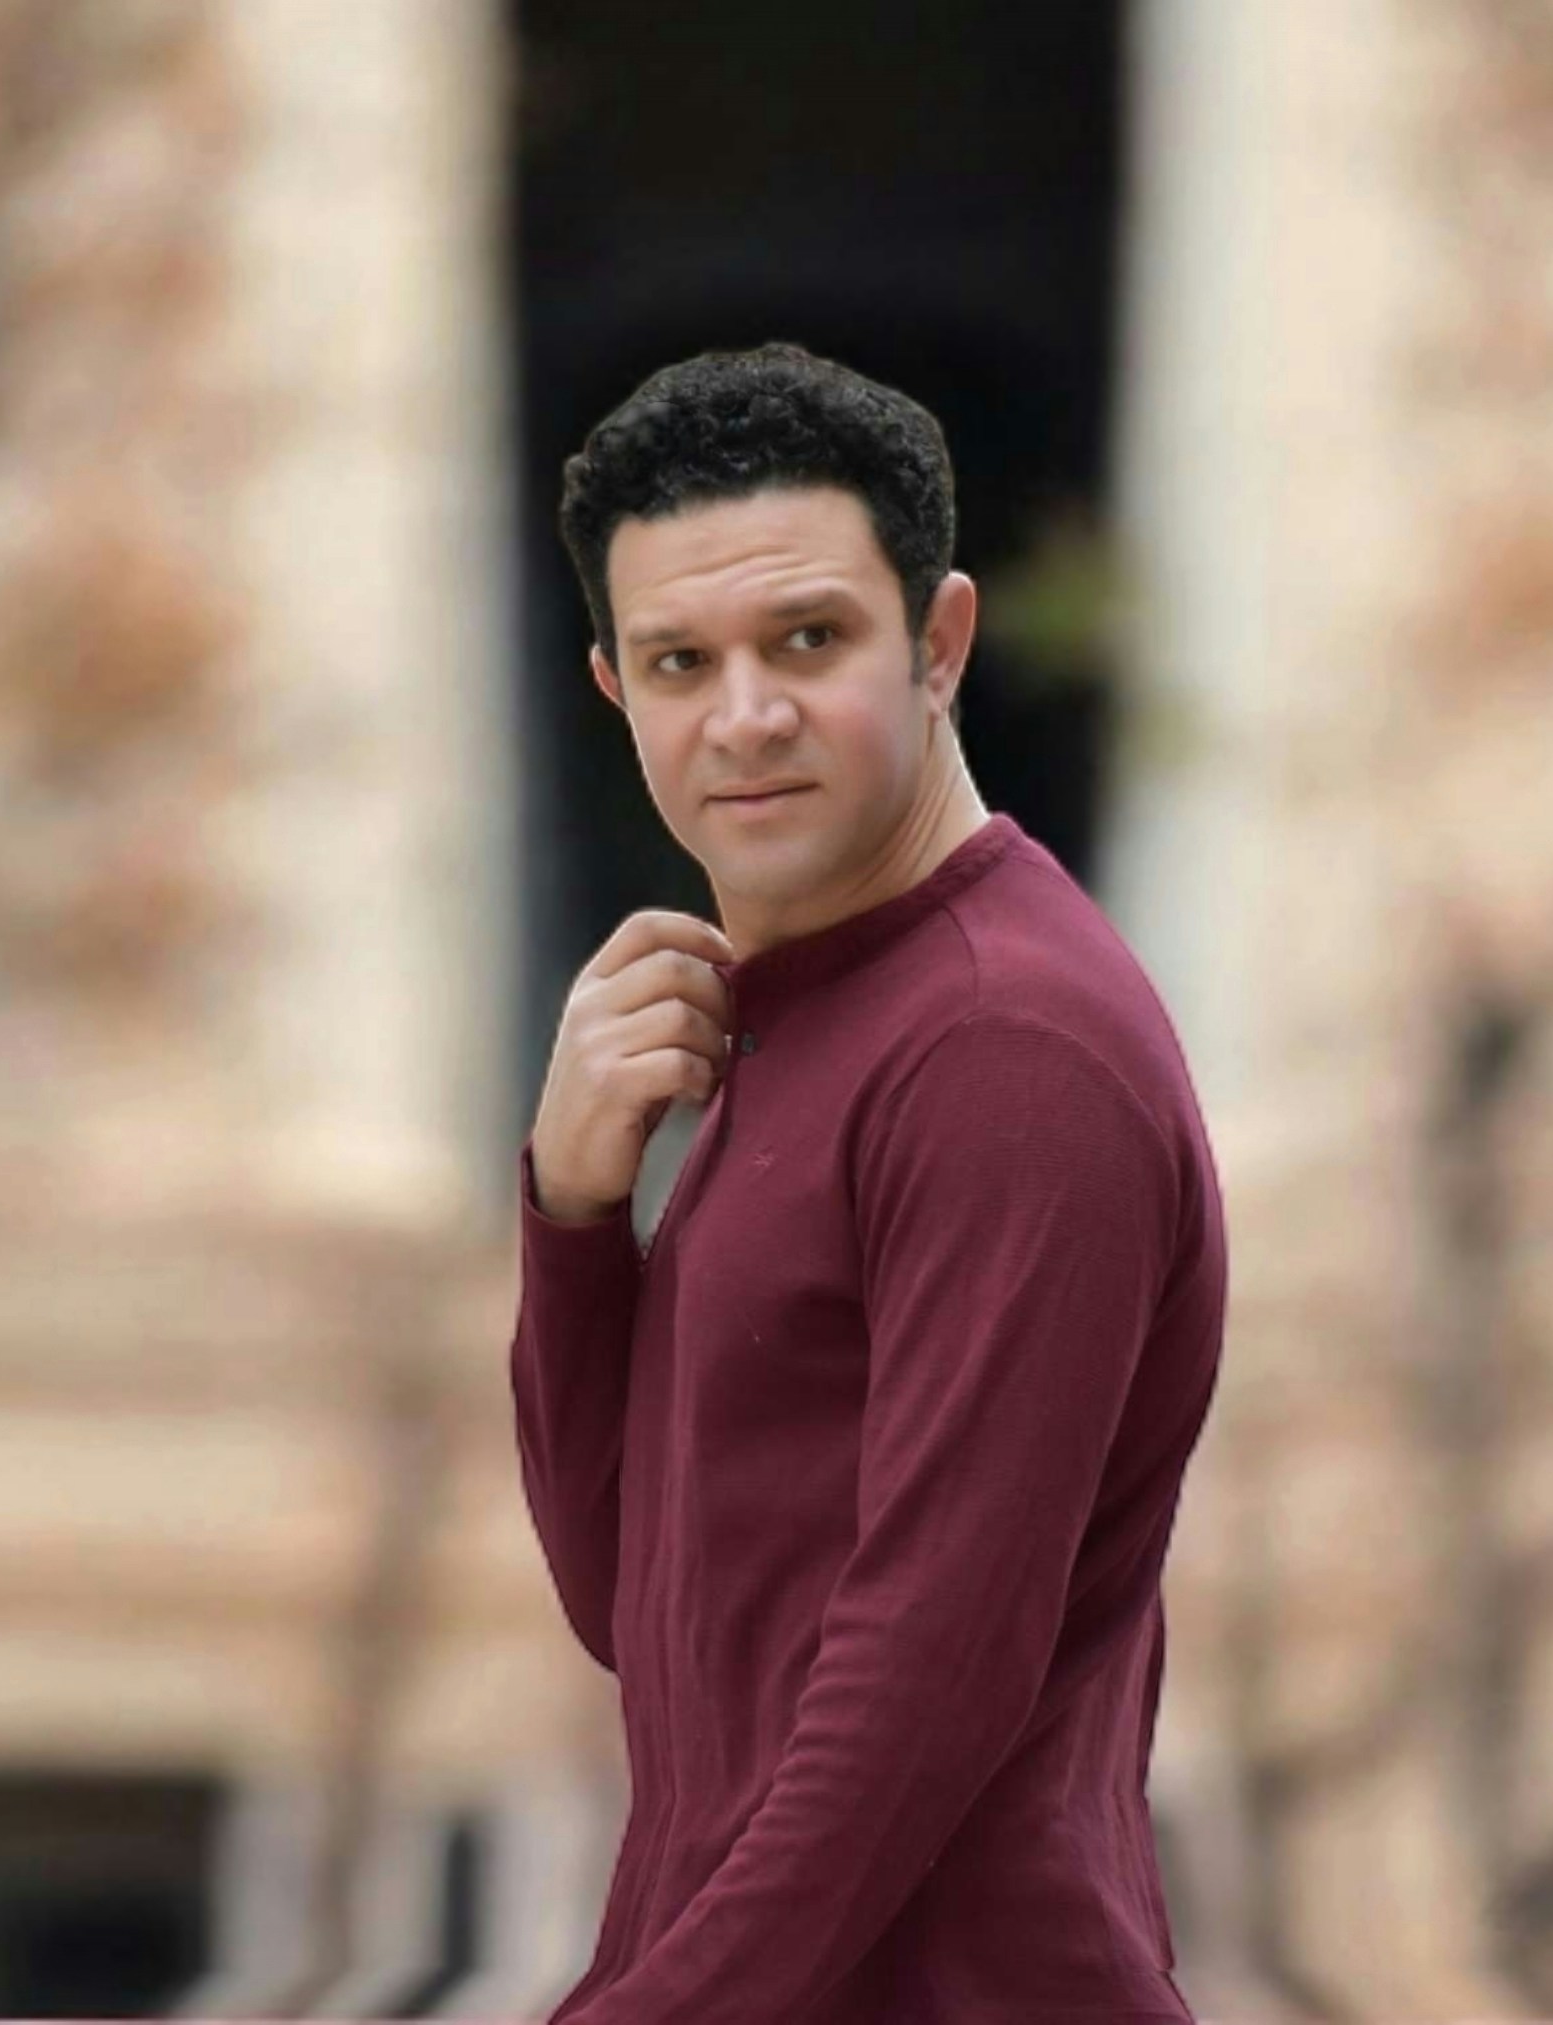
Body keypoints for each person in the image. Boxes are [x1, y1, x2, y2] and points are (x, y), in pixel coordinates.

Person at [512, 341, 1226, 2024]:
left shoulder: (1001, 1048)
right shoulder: (812, 1018)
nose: (746, 715)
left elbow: (927, 1678)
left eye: (809, 640)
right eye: (684, 659)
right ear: (616, 689)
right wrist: (571, 1217)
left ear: (942, 644)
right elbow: (646, 1608)